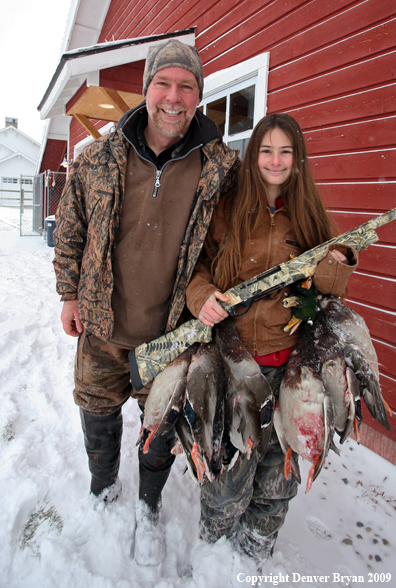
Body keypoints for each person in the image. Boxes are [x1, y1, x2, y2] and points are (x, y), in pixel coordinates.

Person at [52, 38, 239, 565]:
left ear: (199, 96)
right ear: (146, 88)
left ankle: (147, 506)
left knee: (160, 426)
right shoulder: (96, 158)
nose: (173, 97)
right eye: (164, 83)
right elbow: (69, 233)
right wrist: (68, 293)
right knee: (96, 410)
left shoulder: (220, 169)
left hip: (172, 334)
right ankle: (102, 486)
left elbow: (245, 230)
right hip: (102, 322)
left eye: (186, 86)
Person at [185, 113, 358, 565]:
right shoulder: (228, 208)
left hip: (289, 369)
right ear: (253, 155)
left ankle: (255, 553)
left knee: (277, 479)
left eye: (285, 151)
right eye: (266, 150)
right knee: (227, 472)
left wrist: (336, 262)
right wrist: (202, 296)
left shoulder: (306, 214)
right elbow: (197, 269)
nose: (275, 160)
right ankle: (212, 556)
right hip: (234, 363)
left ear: (297, 159)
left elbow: (327, 289)